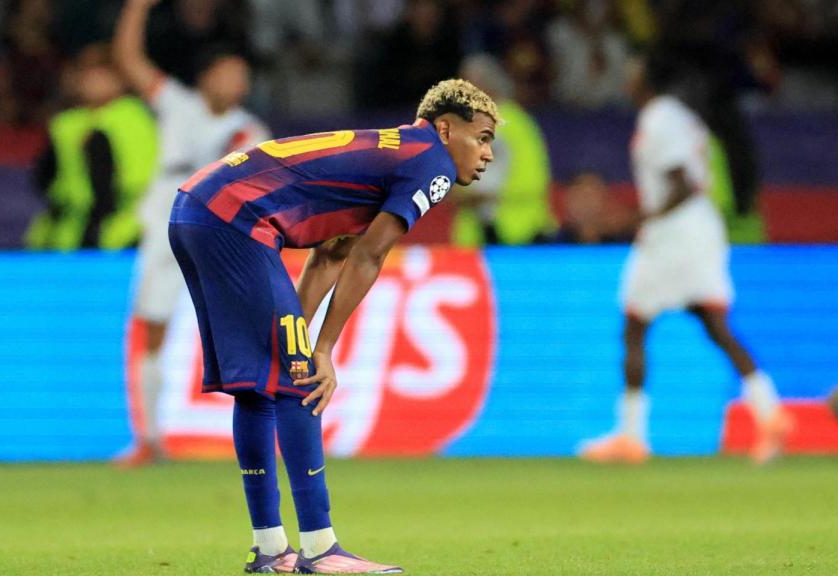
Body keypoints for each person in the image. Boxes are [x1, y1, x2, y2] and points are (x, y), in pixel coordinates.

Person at [168, 78, 496, 573]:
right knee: (301, 379)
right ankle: (321, 550)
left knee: (262, 385)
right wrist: (318, 350)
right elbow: (370, 255)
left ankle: (272, 549)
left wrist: (295, 336)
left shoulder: (392, 152)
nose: (489, 154)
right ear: (446, 129)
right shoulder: (432, 163)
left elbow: (332, 253)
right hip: (237, 219)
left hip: (197, 209)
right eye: (484, 137)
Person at [578, 50, 793, 465]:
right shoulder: (680, 116)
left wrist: (640, 217)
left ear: (647, 78)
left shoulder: (660, 117)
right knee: (715, 327)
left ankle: (632, 436)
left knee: (635, 325)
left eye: (632, 70)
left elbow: (683, 183)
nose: (627, 77)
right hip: (695, 231)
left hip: (675, 234)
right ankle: (771, 415)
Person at [113, 0, 270, 467]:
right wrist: (137, 9)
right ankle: (150, 438)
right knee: (154, 325)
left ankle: (260, 430)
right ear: (206, 77)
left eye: (242, 75)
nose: (236, 83)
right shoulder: (176, 103)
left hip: (219, 229)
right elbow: (128, 61)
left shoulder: (252, 131)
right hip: (166, 218)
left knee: (244, 329)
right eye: (228, 73)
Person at [25, 43, 157, 250]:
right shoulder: (66, 125)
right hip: (70, 225)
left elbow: (112, 185)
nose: (92, 83)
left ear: (120, 79)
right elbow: (45, 177)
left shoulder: (130, 119)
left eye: (102, 75)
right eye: (87, 75)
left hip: (123, 226)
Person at [451, 53, 555, 246]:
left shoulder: (517, 123)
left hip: (520, 234)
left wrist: (487, 196)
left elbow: (534, 180)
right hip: (475, 237)